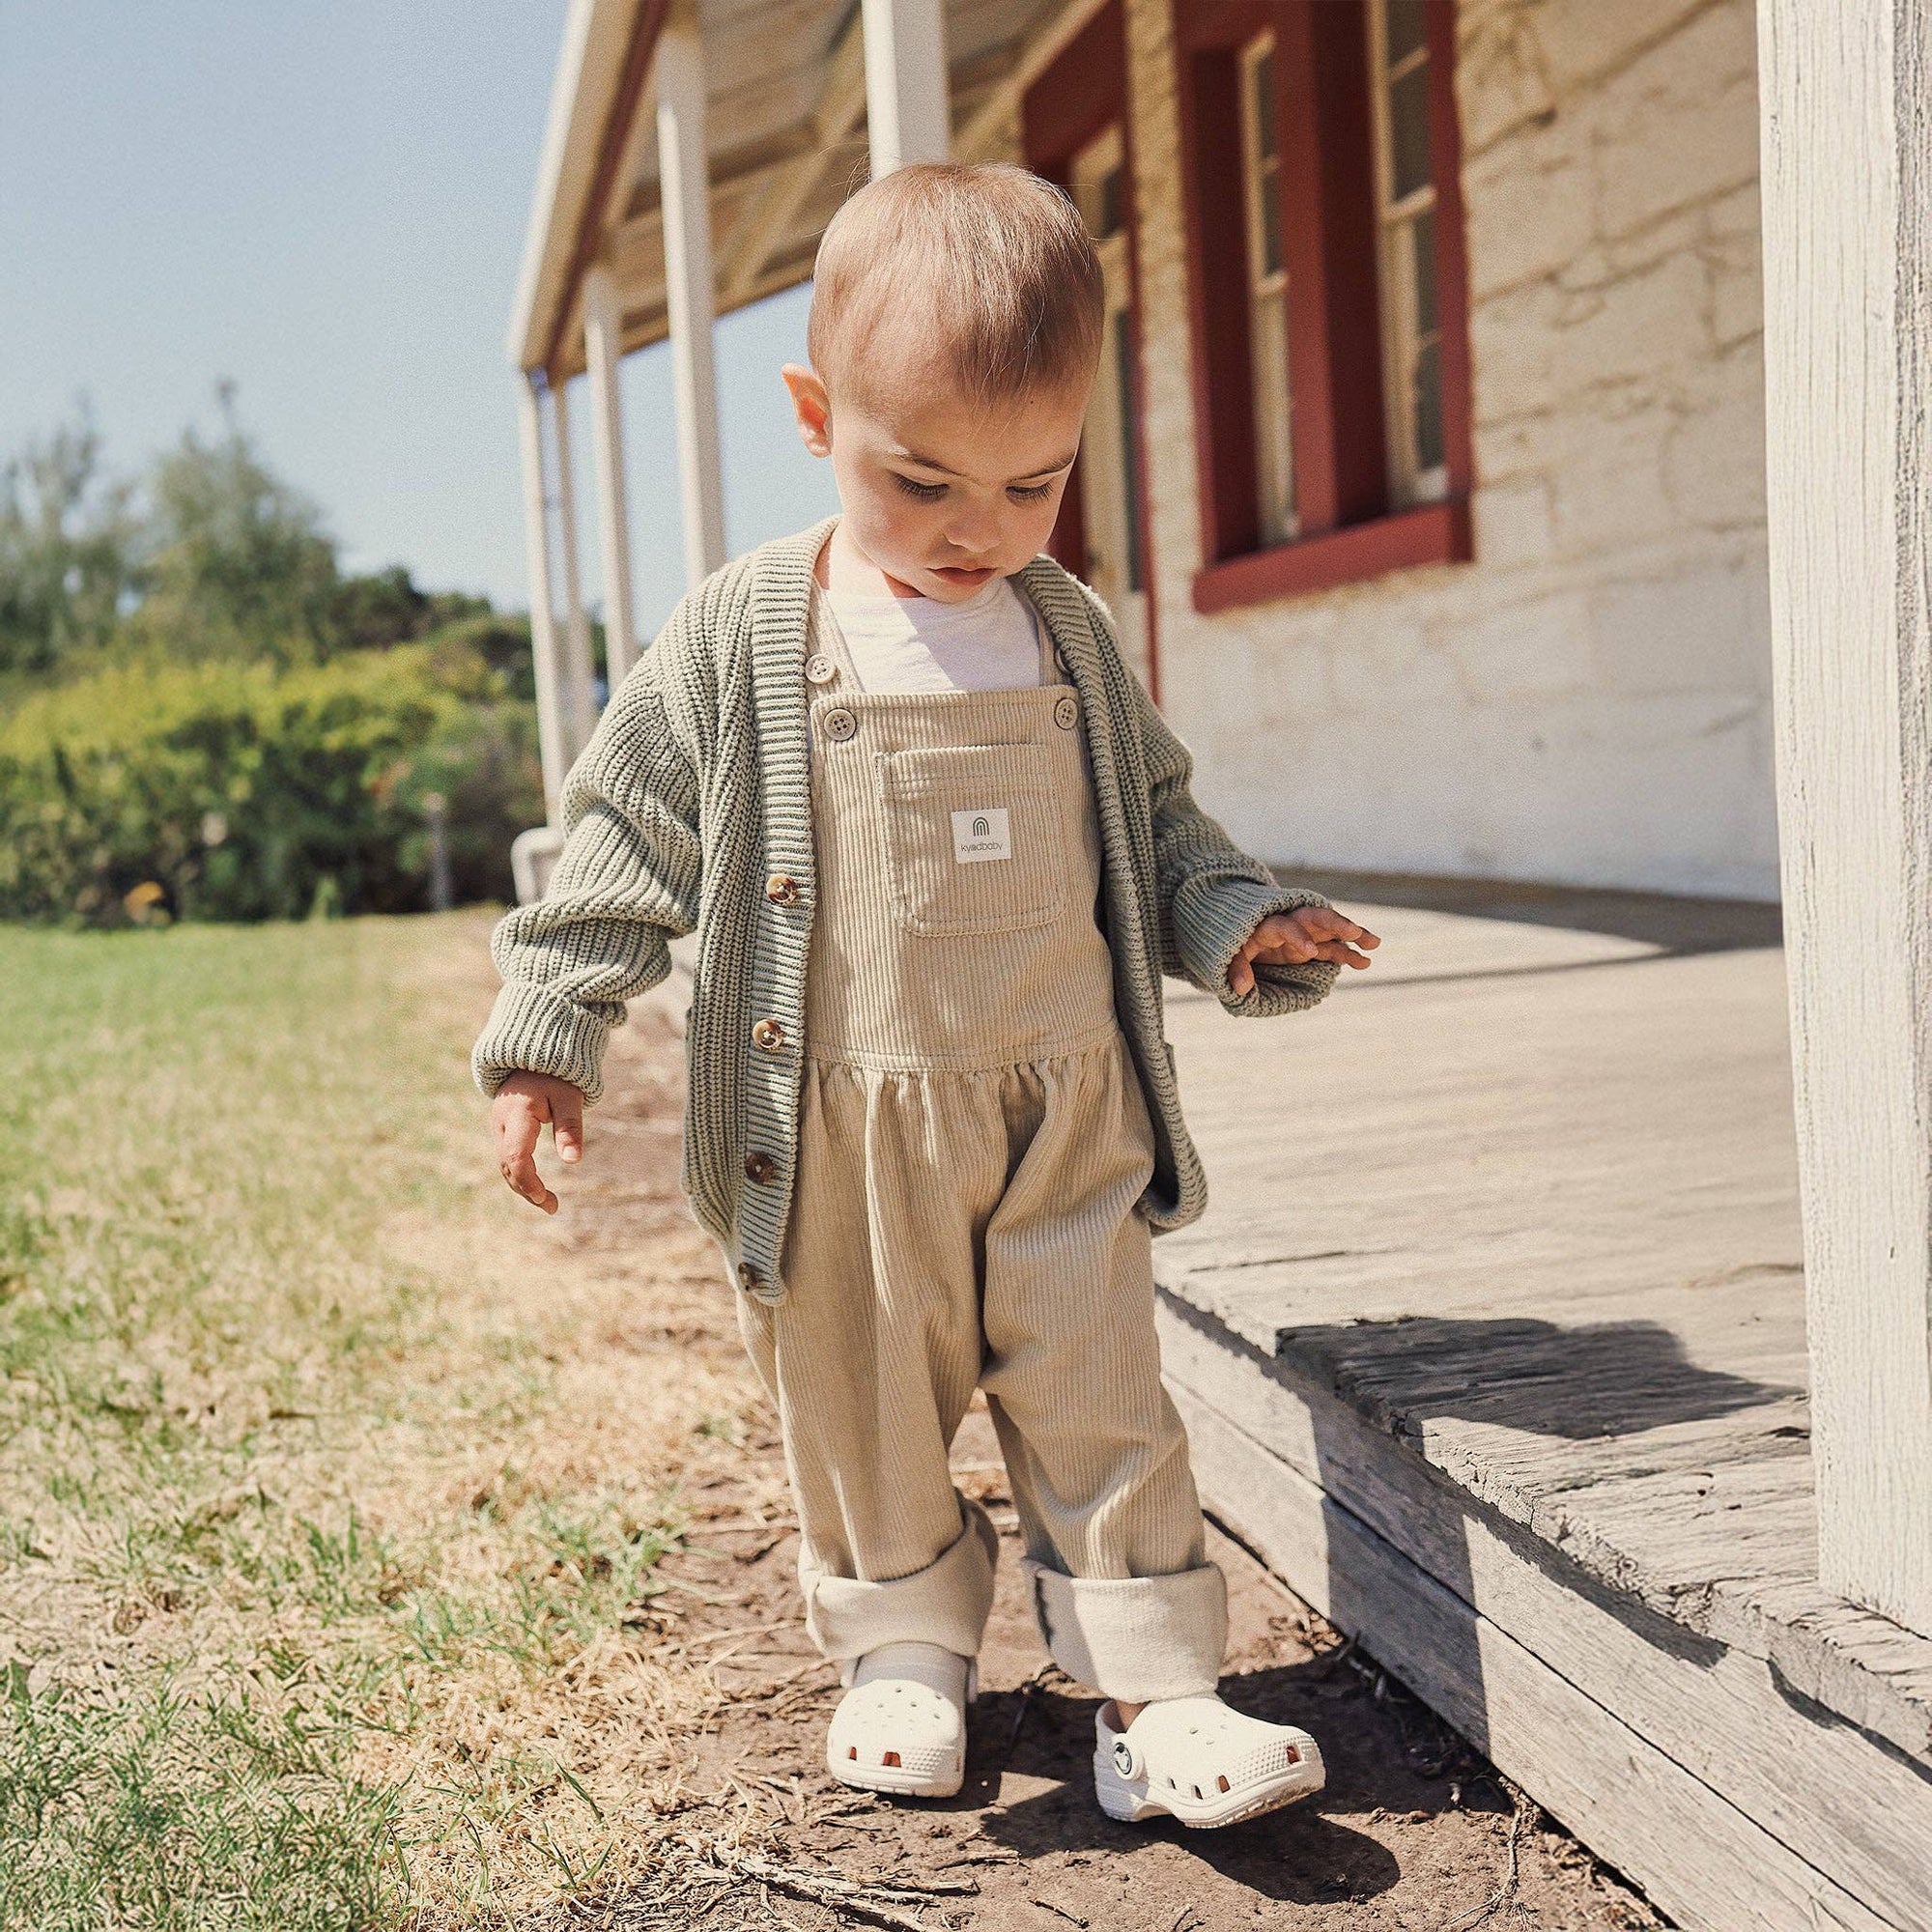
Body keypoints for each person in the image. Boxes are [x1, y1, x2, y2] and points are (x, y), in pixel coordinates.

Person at [473, 161, 1378, 1829]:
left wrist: (1236, 920)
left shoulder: (1067, 634)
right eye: (926, 480)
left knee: (1102, 1385)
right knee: (861, 1401)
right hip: (832, 1119)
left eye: (1036, 481)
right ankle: (904, 1645)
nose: (982, 529)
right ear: (818, 417)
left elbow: (1158, 826)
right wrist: (553, 1037)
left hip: (1063, 1098)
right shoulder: (743, 633)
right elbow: (619, 842)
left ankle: (1154, 1692)